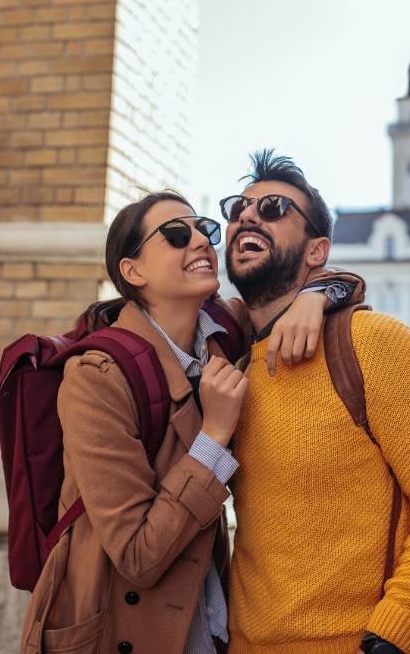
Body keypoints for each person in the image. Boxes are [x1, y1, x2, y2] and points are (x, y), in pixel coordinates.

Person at [18, 190, 358, 654]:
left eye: (204, 230)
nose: (200, 241)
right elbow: (137, 556)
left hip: (206, 625)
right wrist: (214, 435)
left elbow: (323, 279)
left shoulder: (221, 331)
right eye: (177, 235)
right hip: (116, 629)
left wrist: (314, 297)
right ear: (132, 270)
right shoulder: (96, 376)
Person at [222, 151, 410, 654]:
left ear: (317, 250)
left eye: (273, 208)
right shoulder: (235, 364)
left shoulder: (373, 343)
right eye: (239, 208)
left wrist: (395, 632)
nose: (248, 216)